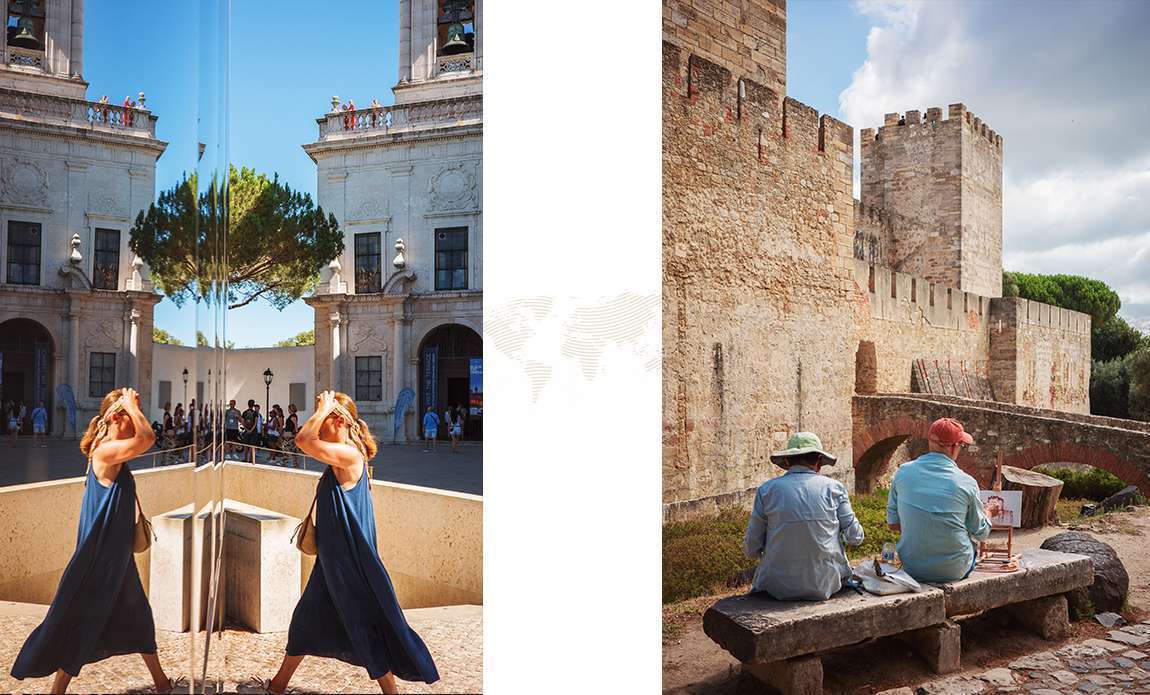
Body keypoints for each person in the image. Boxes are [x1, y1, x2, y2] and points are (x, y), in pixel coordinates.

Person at [249, 391, 439, 694]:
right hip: (332, 560)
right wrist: (324, 410)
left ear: (336, 419)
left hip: (349, 561)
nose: (317, 420)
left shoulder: (348, 454)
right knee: (306, 620)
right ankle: (277, 686)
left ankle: (391, 692)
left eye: (321, 416)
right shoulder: (343, 451)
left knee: (362, 627)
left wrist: (324, 407)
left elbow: (302, 441)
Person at [10, 388, 178, 694]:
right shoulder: (105, 451)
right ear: (117, 417)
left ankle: (161, 682)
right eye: (133, 414)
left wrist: (130, 407)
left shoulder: (108, 447)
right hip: (100, 556)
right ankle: (57, 690)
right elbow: (148, 439)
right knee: (85, 621)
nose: (139, 418)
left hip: (116, 554)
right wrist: (129, 404)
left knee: (139, 615)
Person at [743, 432, 864, 601]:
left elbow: (751, 548)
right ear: (819, 461)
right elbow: (856, 537)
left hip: (776, 586)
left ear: (787, 461)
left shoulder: (766, 490)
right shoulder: (835, 488)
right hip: (827, 584)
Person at [886, 418, 991, 584]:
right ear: (954, 447)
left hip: (911, 567)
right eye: (961, 446)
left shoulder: (902, 473)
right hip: (954, 570)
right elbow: (981, 533)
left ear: (930, 442)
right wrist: (988, 513)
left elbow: (893, 523)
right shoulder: (966, 482)